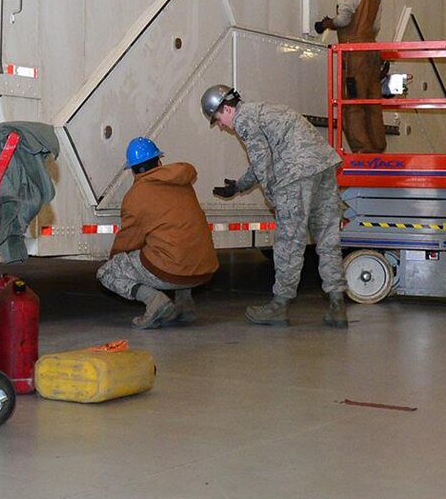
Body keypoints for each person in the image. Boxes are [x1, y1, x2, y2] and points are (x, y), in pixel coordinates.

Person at [202, 84, 347, 327]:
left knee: (289, 242)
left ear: (226, 109)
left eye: (218, 119)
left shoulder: (244, 119)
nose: (221, 126)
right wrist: (239, 186)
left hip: (296, 174)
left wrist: (273, 198)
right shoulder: (265, 110)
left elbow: (261, 161)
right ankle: (337, 305)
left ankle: (279, 305)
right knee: (327, 238)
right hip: (324, 167)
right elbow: (266, 156)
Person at [98, 137, 219, 328]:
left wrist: (115, 261)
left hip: (173, 272)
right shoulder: (184, 184)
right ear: (159, 161)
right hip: (204, 268)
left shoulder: (137, 194)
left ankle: (155, 301)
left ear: (133, 170)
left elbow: (128, 240)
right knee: (176, 245)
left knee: (106, 273)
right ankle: (184, 306)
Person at [314, 0, 386, 153]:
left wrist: (328, 23)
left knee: (352, 102)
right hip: (371, 50)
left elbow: (344, 18)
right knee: (372, 103)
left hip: (354, 52)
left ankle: (362, 152)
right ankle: (378, 148)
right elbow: (375, 27)